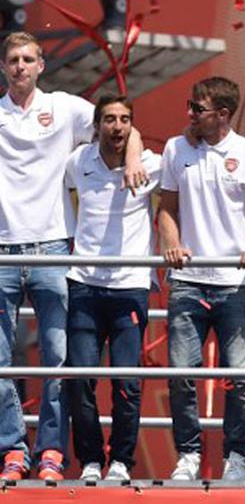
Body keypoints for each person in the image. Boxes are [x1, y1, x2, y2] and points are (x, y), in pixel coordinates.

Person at [0, 32, 147, 482]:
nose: (21, 66)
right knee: (1, 361)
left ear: (42, 65)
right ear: (3, 67)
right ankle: (11, 448)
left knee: (59, 361)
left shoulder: (65, 107)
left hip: (55, 247)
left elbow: (121, 123)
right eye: (13, 60)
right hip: (2, 250)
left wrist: (136, 156)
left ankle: (50, 451)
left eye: (28, 59)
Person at [158, 76, 245, 482]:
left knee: (239, 377)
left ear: (222, 115)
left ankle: (236, 457)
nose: (189, 113)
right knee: (180, 375)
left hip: (234, 283)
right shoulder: (176, 148)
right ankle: (188, 455)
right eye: (190, 106)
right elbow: (167, 208)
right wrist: (171, 244)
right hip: (187, 281)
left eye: (197, 108)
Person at [64, 96, 160, 482]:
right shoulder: (78, 161)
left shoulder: (150, 165)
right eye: (109, 120)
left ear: (131, 126)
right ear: (97, 125)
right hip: (84, 285)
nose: (117, 127)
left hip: (130, 288)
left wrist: (135, 155)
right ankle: (89, 460)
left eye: (124, 120)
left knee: (127, 382)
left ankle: (121, 461)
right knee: (81, 378)